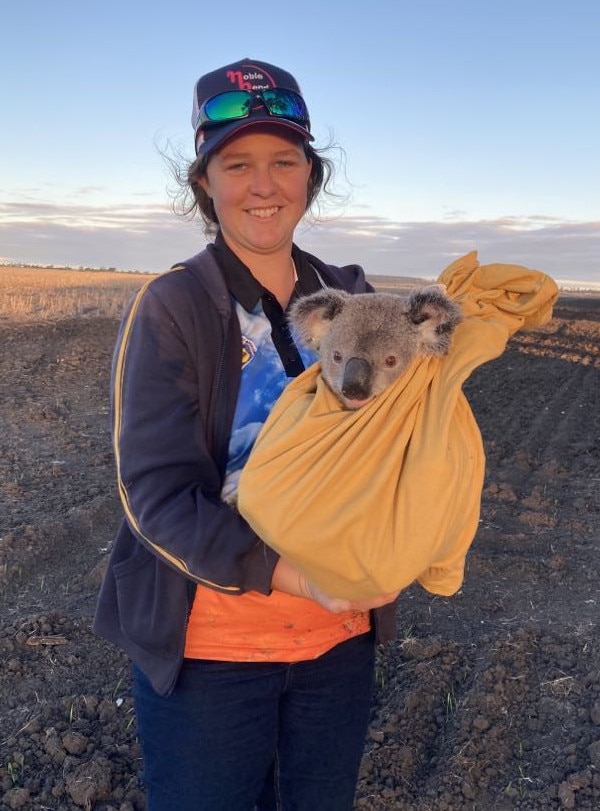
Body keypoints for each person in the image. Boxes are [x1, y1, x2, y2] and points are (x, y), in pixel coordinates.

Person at [93, 58, 399, 811]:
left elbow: (398, 446)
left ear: (309, 174)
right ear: (205, 182)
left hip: (337, 644)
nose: (263, 184)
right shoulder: (175, 307)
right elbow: (155, 494)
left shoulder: (356, 298)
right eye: (238, 164)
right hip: (214, 649)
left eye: (283, 160)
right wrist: (296, 575)